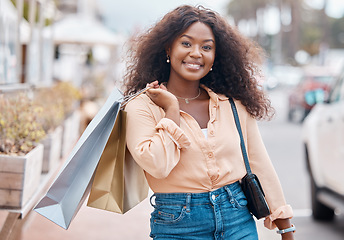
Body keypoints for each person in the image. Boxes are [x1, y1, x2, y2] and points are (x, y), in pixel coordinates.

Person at [123, 5, 294, 240]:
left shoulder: (233, 104)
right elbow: (158, 166)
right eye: (186, 43)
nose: (196, 53)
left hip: (237, 218)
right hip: (178, 224)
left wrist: (286, 228)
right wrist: (171, 109)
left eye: (207, 47)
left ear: (216, 56)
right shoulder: (141, 107)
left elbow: (259, 163)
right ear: (168, 48)